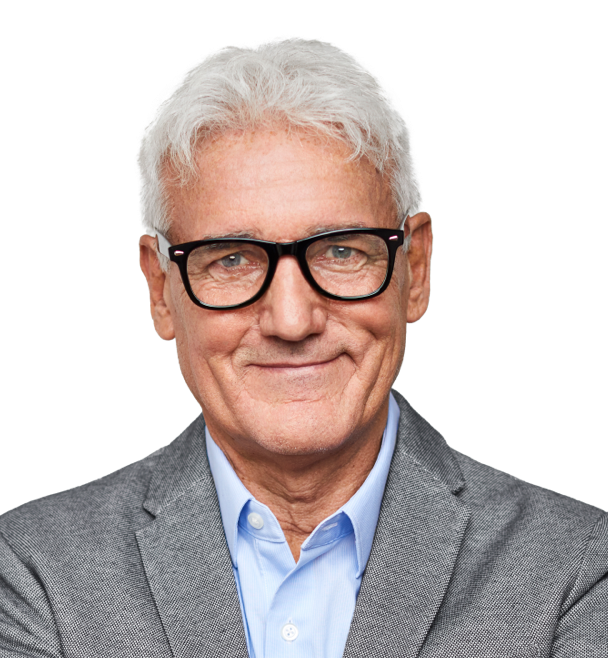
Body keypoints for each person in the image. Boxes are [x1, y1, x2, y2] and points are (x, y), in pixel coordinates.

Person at [1, 36, 606, 658]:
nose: (292, 321)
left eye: (341, 251)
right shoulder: (33, 574)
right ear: (160, 291)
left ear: (417, 270)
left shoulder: (579, 572)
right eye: (231, 260)